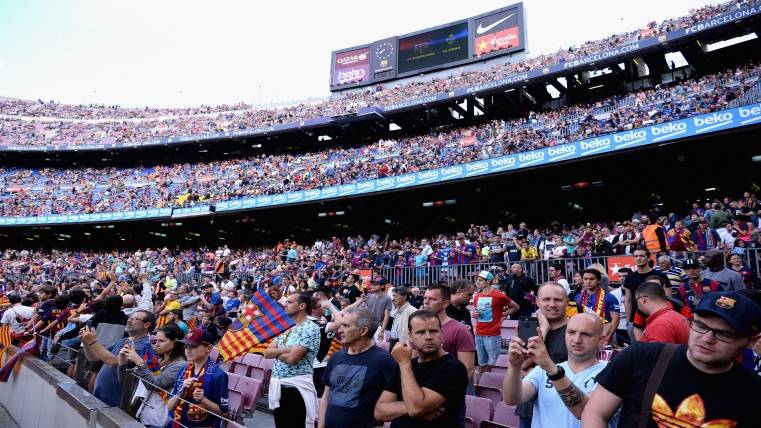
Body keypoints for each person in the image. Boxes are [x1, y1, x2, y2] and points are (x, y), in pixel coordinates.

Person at [582, 292, 761, 427]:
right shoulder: (641, 357)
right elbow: (595, 412)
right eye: (700, 325)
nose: (707, 338)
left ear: (752, 341)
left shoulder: (754, 391)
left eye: (724, 334)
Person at [503, 313, 609, 428]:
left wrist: (550, 368)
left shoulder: (610, 372)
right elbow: (511, 399)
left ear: (601, 341)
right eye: (571, 332)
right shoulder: (542, 370)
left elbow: (585, 412)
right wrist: (514, 366)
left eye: (586, 334)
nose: (577, 340)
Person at [374, 310, 468, 427]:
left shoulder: (453, 368)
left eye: (433, 331)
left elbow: (416, 408)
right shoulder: (406, 364)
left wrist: (404, 364)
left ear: (441, 333)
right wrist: (408, 407)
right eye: (420, 332)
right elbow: (380, 411)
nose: (428, 337)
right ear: (410, 336)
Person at [318, 308, 396, 428]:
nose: (339, 330)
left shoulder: (384, 360)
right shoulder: (336, 357)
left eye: (345, 326)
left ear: (363, 331)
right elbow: (325, 397)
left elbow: (397, 399)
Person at [80, 309, 158, 409]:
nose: (128, 320)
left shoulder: (144, 346)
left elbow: (113, 362)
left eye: (134, 319)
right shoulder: (123, 340)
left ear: (146, 324)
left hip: (115, 402)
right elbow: (94, 357)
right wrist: (86, 342)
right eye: (129, 318)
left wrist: (93, 342)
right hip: (101, 396)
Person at [265, 291, 321, 428]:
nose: (285, 304)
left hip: (296, 389)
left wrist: (279, 352)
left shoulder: (310, 328)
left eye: (290, 302)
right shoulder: (287, 327)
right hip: (279, 387)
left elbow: (292, 359)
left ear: (302, 306)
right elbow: (267, 352)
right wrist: (288, 349)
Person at [124, 324, 187, 428]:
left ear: (175, 342)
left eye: (161, 341)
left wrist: (139, 362)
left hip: (158, 419)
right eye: (155, 341)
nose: (156, 344)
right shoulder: (158, 360)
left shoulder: (181, 365)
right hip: (143, 413)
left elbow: (154, 384)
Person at [166, 328, 229, 428]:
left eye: (193, 346)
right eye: (186, 346)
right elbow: (169, 406)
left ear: (209, 348)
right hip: (178, 424)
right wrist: (182, 391)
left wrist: (203, 400)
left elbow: (224, 414)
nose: (188, 350)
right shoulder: (183, 370)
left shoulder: (219, 375)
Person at [422, 284, 476, 388]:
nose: (426, 302)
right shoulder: (419, 328)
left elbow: (468, 369)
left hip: (450, 390)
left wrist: (448, 393)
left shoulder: (460, 330)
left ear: (445, 303)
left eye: (432, 299)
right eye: (425, 298)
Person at [472, 271, 519, 371]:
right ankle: (482, 380)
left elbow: (515, 307)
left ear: (488, 281)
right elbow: (476, 313)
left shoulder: (498, 296)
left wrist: (502, 314)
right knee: (481, 364)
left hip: (492, 335)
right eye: (477, 280)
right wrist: (474, 315)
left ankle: (489, 379)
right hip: (479, 334)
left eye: (480, 280)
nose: (477, 282)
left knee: (492, 364)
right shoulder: (477, 296)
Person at [623, 248, 671, 341]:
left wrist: (666, 318)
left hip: (658, 318)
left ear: (648, 258)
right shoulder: (629, 278)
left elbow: (668, 299)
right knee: (637, 347)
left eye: (641, 256)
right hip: (635, 321)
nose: (638, 258)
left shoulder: (661, 276)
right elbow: (628, 300)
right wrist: (628, 322)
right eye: (636, 256)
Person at [574, 269, 620, 345]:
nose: (588, 281)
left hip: (604, 335)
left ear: (598, 280)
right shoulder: (578, 297)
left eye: (591, 279)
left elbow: (615, 320)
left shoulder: (610, 297)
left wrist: (607, 338)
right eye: (585, 279)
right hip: (583, 335)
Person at [388, 286, 417, 350]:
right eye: (393, 296)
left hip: (404, 344)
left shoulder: (412, 311)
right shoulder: (396, 309)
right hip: (393, 342)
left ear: (404, 297)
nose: (393, 299)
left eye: (395, 296)